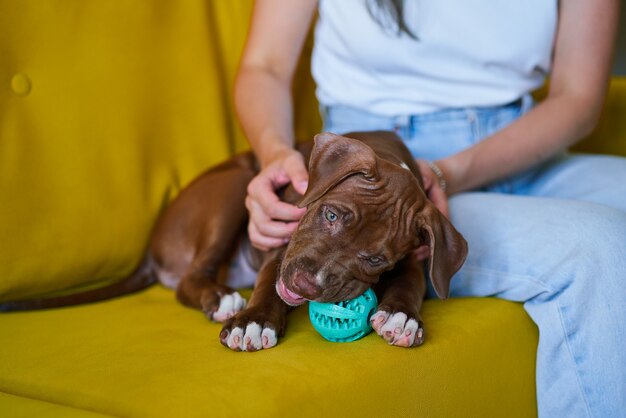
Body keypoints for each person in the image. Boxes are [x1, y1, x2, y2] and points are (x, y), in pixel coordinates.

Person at [234, 1, 625, 416]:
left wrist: (451, 171)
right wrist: (275, 153)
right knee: (599, 246)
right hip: (383, 178)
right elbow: (265, 65)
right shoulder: (374, 193)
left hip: (526, 147)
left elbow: (579, 97)